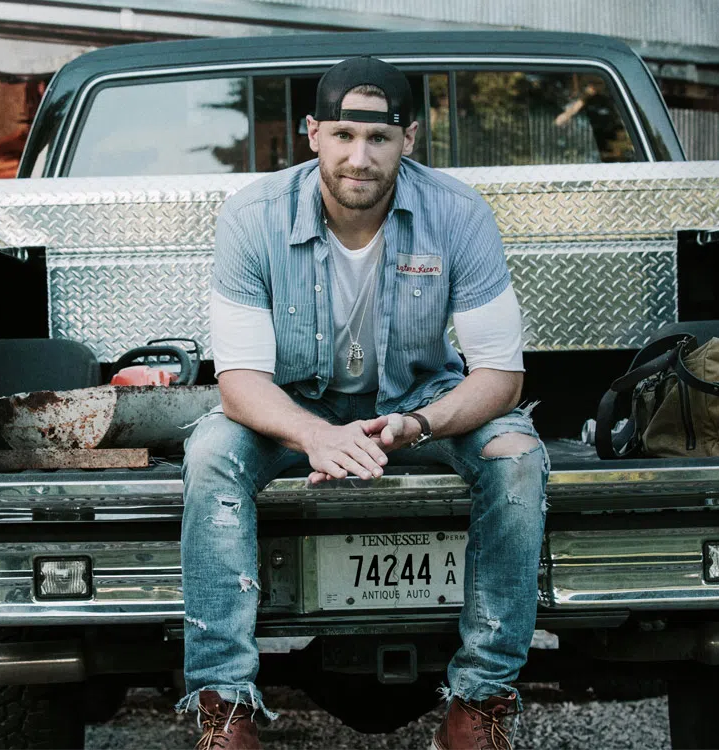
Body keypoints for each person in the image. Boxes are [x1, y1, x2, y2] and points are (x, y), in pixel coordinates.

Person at [176, 56, 549, 750]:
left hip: (420, 402)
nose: (359, 156)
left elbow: (501, 376)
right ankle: (225, 706)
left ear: (409, 139)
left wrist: (420, 424)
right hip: (291, 407)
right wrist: (315, 436)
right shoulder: (253, 217)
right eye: (344, 135)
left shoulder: (457, 213)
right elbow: (241, 381)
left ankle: (479, 700)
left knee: (517, 455)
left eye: (379, 137)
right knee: (210, 454)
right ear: (312, 133)